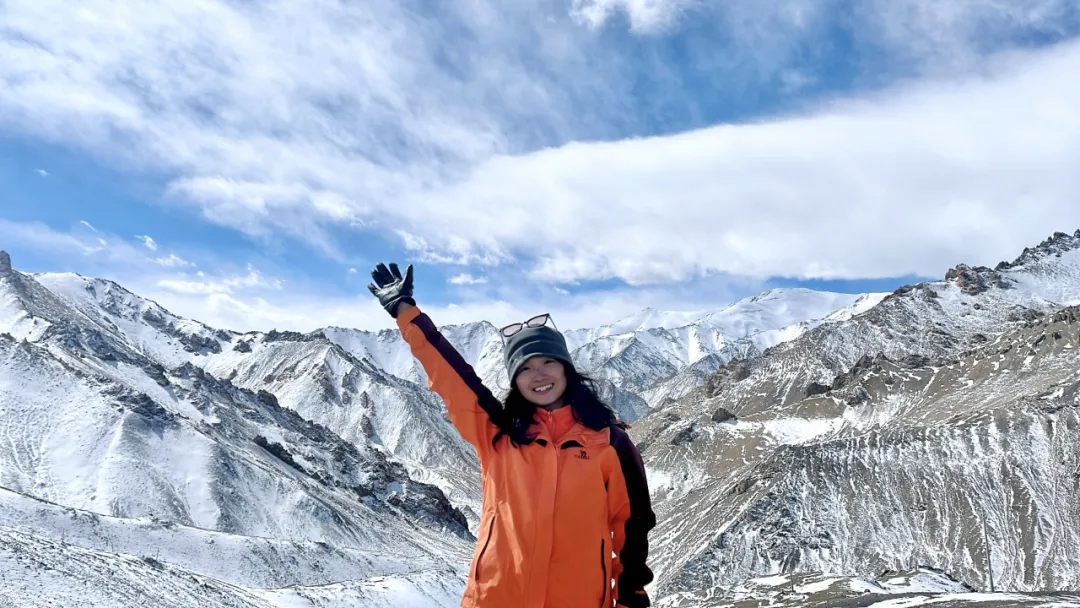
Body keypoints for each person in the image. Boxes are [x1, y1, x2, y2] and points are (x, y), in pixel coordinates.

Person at [368, 262, 656, 608]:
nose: (539, 375)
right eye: (525, 368)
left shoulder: (609, 443)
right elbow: (451, 375)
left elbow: (633, 526)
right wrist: (406, 312)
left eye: (547, 362)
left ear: (566, 368)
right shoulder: (497, 433)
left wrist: (631, 596)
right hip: (494, 598)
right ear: (515, 380)